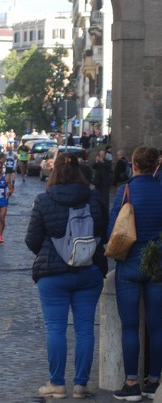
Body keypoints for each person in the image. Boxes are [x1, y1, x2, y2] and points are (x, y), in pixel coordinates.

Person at [25, 152, 108, 400]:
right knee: (84, 329)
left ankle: (57, 384)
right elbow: (103, 230)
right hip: (89, 271)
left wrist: (51, 248)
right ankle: (81, 384)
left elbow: (31, 240)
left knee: (56, 329)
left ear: (54, 171)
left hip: (53, 274)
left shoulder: (43, 200)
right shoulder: (94, 198)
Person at [110, 146, 162, 401]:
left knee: (129, 326)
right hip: (158, 266)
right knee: (157, 327)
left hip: (129, 265)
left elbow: (113, 229)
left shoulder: (125, 191)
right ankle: (154, 381)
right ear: (156, 166)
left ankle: (131, 382)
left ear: (134, 165)